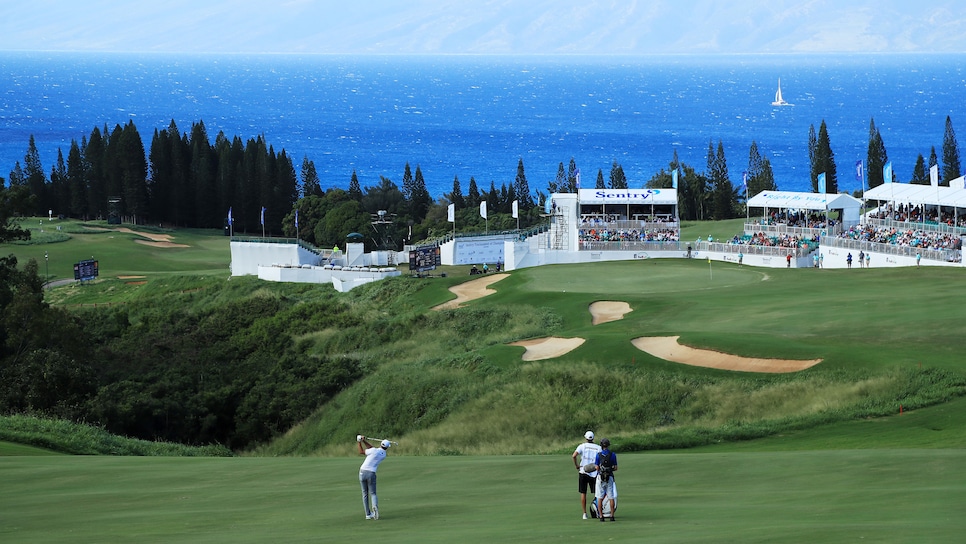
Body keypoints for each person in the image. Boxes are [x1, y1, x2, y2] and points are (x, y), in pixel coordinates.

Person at [357, 435, 391, 520]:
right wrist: (364, 441)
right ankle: (374, 507)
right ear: (387, 447)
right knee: (373, 493)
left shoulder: (373, 450)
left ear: (381, 444)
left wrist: (359, 442)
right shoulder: (383, 454)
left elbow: (361, 452)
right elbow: (372, 448)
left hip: (362, 472)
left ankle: (368, 514)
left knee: (365, 493)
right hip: (371, 473)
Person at [571, 430, 602, 520]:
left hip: (583, 472)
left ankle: (584, 513)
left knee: (583, 493)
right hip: (594, 473)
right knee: (597, 494)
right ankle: (599, 512)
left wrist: (577, 465)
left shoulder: (582, 446)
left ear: (585, 438)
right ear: (593, 438)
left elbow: (574, 456)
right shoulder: (598, 448)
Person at [594, 438, 618, 522]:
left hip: (600, 477)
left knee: (599, 497)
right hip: (610, 477)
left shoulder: (598, 455)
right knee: (611, 496)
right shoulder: (613, 454)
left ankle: (601, 516)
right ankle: (612, 516)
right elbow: (615, 468)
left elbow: (597, 467)